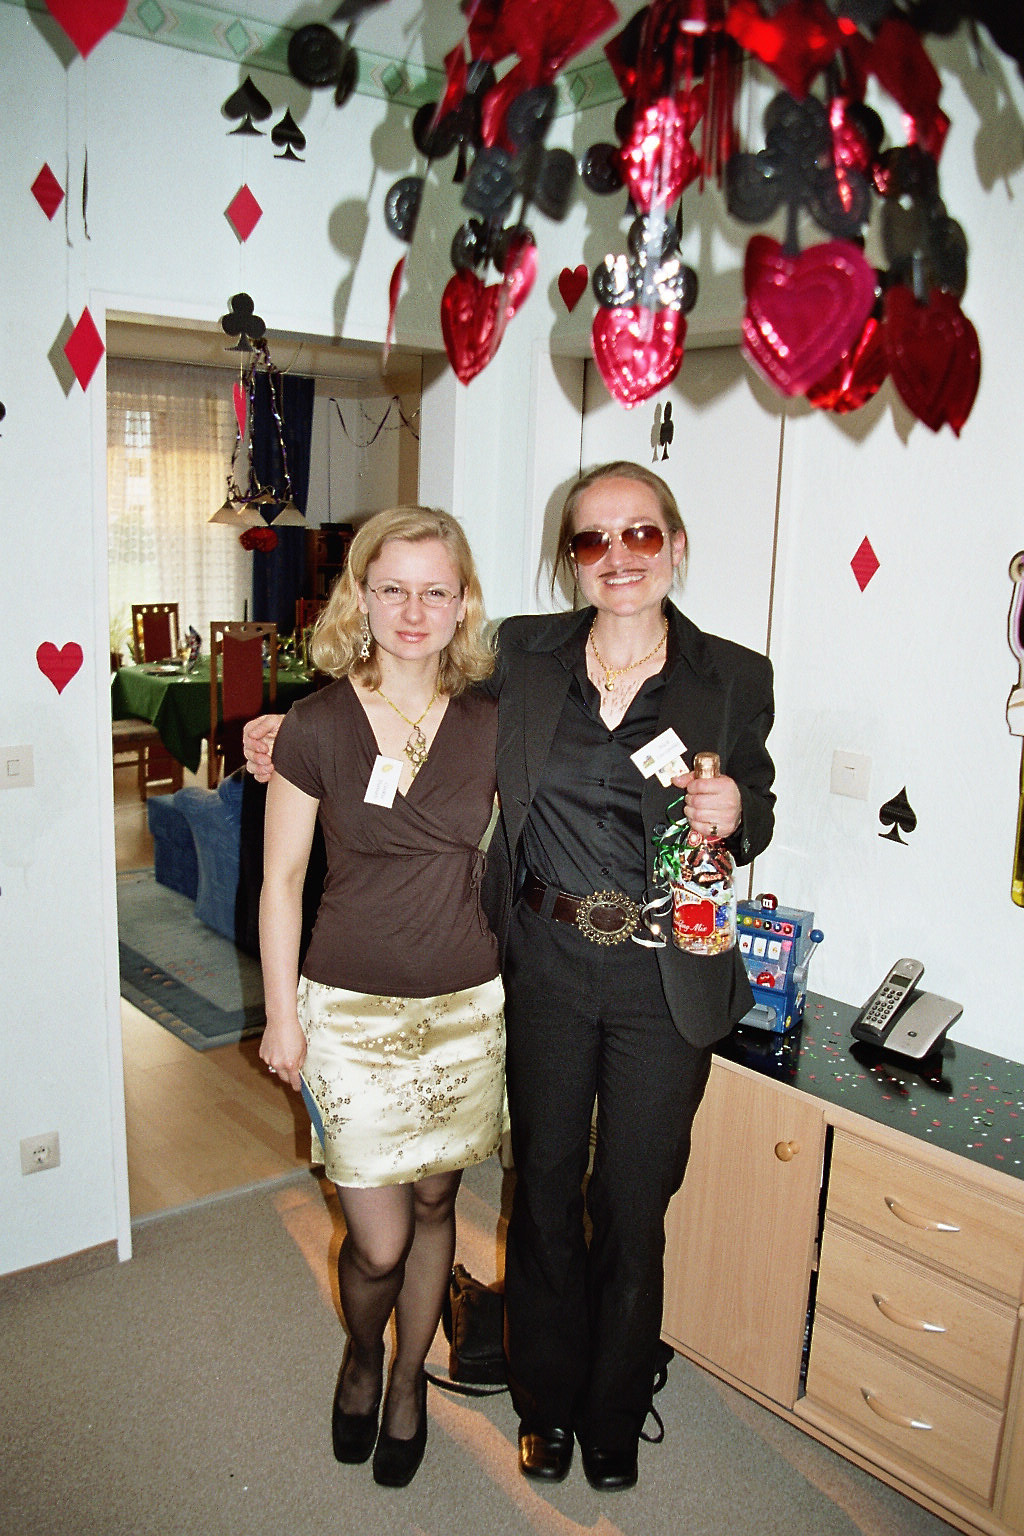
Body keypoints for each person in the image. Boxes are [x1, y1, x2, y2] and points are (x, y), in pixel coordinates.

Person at [246, 461, 775, 1494]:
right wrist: (285, 731)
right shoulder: (526, 655)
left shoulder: (733, 675)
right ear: (569, 559)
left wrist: (737, 813)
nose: (618, 557)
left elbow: (754, 796)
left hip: (665, 974)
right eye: (592, 539)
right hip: (543, 965)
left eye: (640, 534)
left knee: (633, 1205)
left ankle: (611, 1412)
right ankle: (542, 1402)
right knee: (540, 1196)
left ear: (674, 545)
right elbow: (405, 685)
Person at [257, 505, 504, 1490]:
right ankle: (363, 1357)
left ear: (463, 603)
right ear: (360, 597)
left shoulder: (495, 721)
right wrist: (283, 1016)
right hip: (349, 1013)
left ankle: (408, 1382)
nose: (412, 610)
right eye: (392, 588)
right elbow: (281, 881)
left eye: (435, 590)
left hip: (467, 1010)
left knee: (439, 1201)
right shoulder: (315, 724)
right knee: (379, 1241)